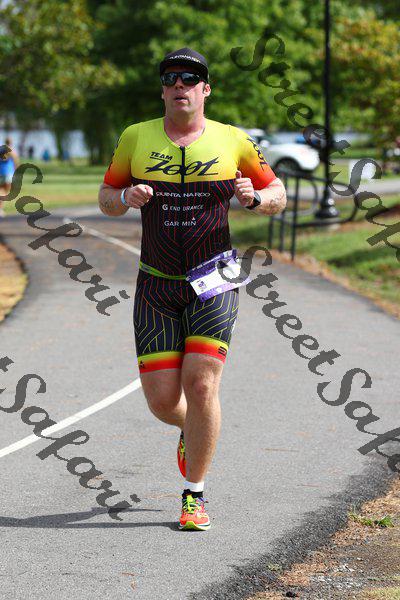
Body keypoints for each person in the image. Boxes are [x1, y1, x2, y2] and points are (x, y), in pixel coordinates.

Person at [98, 47, 286, 531]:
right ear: (163, 90)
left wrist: (256, 198)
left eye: (190, 78)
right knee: (164, 401)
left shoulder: (234, 139)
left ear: (206, 89)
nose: (179, 85)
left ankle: (194, 495)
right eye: (171, 78)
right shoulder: (135, 137)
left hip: (214, 278)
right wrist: (125, 196)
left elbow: (278, 194)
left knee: (201, 384)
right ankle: (193, 427)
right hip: (156, 283)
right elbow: (106, 198)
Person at [0, 138, 19, 218]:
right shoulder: (11, 151)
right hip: (8, 173)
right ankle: (0, 209)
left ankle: (0, 209)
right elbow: (15, 160)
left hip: (1, 173)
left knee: (2, 190)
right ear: (11, 142)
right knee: (4, 191)